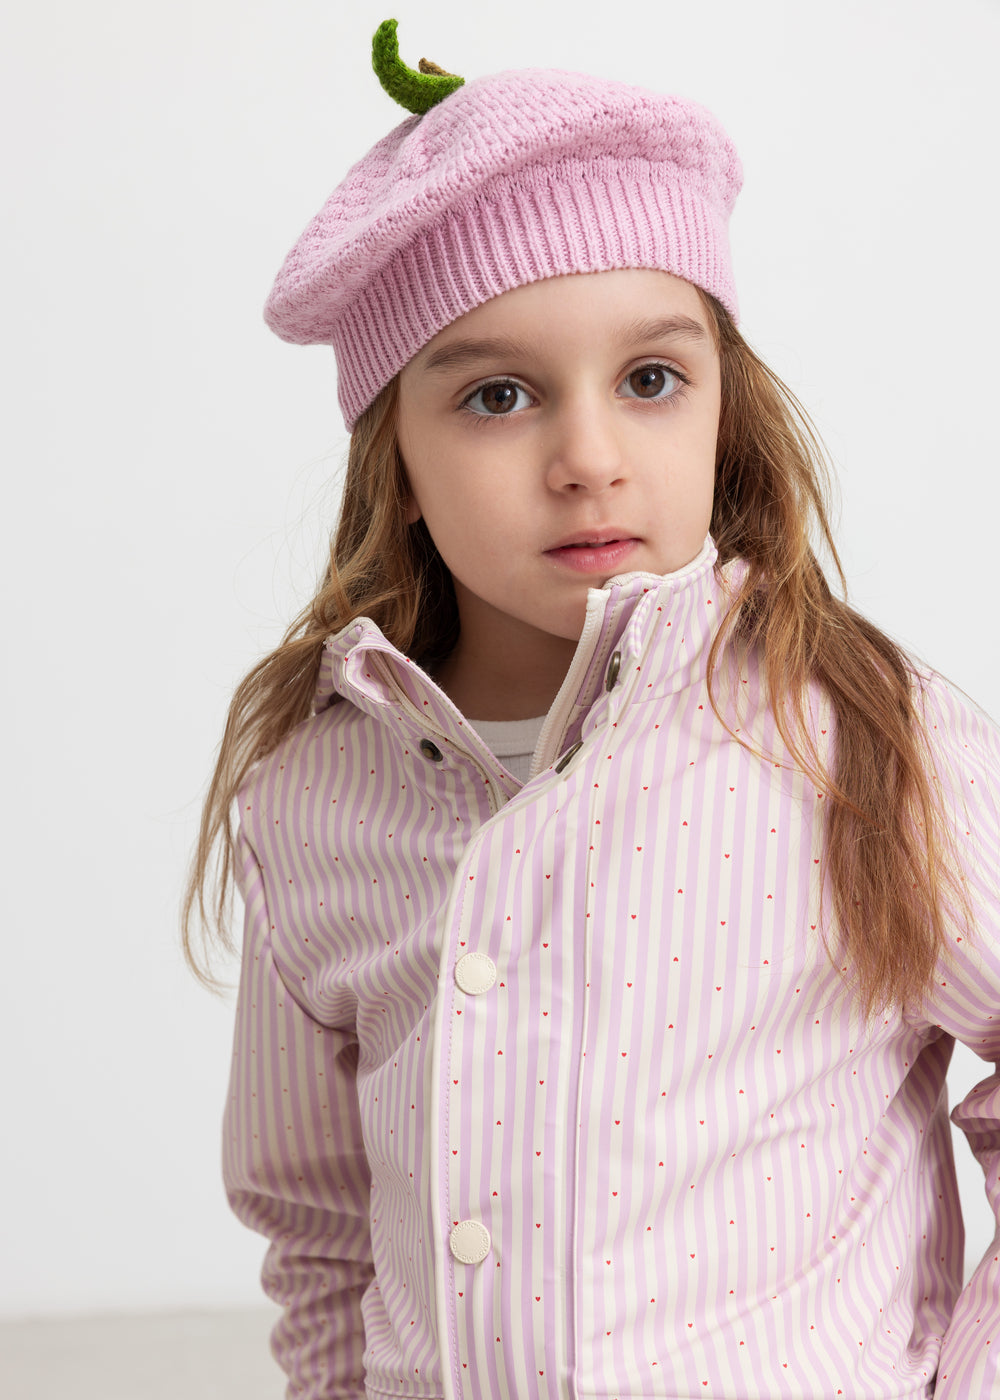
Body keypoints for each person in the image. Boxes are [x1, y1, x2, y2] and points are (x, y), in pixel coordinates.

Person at [184, 19, 1000, 1400]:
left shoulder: (862, 737)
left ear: (723, 405)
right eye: (498, 395)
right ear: (398, 452)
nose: (589, 458)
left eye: (651, 379)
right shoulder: (311, 790)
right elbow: (317, 1226)